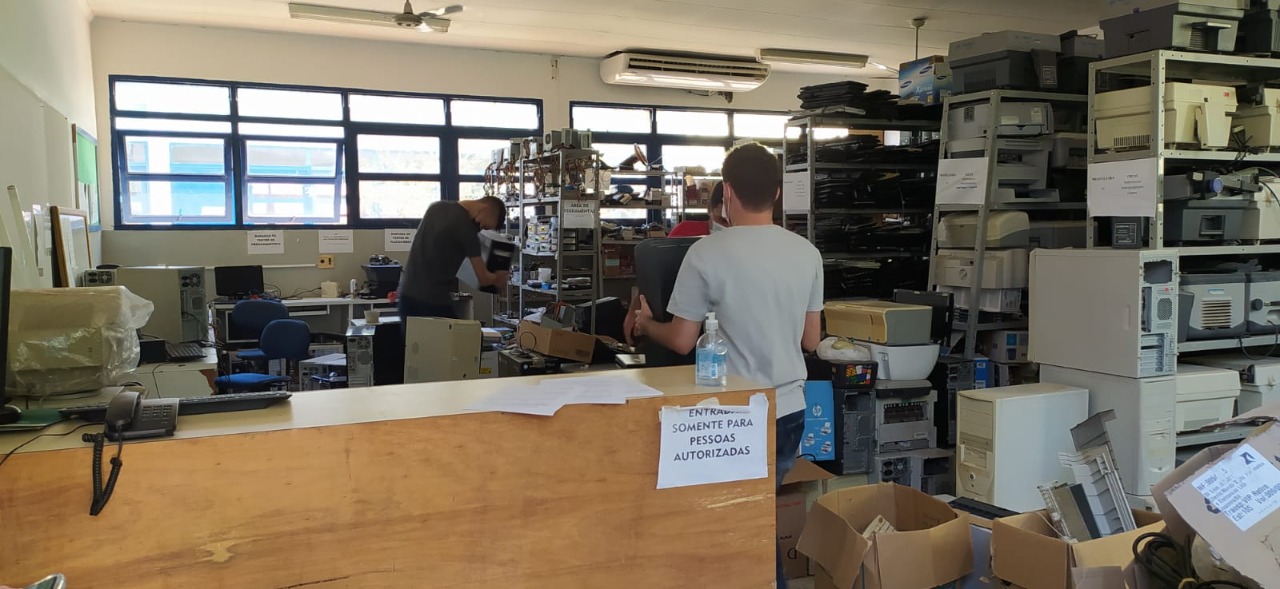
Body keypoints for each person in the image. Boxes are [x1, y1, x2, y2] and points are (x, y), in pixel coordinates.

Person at [632, 142, 822, 589]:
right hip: (790, 411)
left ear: (728, 192)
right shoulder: (806, 252)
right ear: (777, 193)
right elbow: (811, 340)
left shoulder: (706, 253)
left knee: (729, 528)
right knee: (756, 520)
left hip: (731, 414)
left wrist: (645, 324)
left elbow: (682, 340)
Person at [398, 196, 509, 322]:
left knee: (414, 336)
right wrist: (497, 278)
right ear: (484, 209)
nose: (481, 228)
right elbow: (483, 279)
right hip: (432, 301)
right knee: (462, 333)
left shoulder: (436, 207)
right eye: (485, 226)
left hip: (407, 294)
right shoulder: (467, 229)